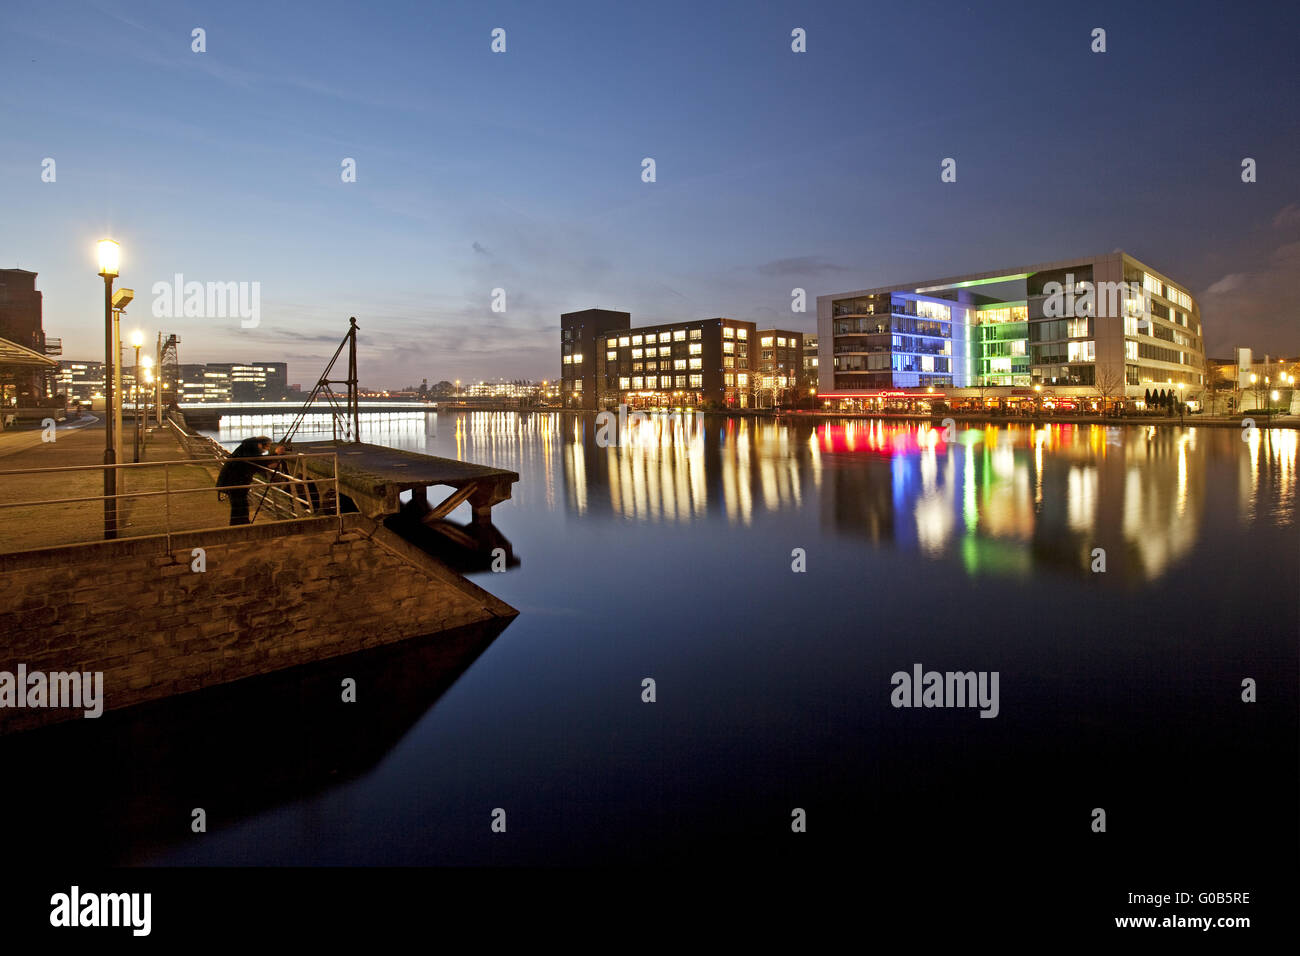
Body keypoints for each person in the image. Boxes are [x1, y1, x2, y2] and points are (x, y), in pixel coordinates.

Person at [217, 435, 281, 525]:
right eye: (267, 446)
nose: (267, 449)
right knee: (239, 506)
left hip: (233, 481)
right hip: (235, 482)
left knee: (240, 506)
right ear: (260, 444)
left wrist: (267, 464)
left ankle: (241, 524)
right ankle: (239, 526)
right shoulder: (250, 449)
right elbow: (256, 461)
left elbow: (253, 463)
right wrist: (276, 454)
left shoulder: (247, 447)